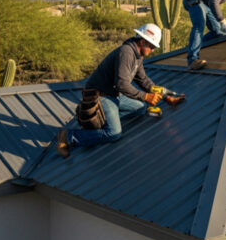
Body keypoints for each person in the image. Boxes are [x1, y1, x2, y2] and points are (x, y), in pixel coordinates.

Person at [57, 23, 169, 158]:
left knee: (140, 108)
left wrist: (164, 95)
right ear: (142, 41)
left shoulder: (137, 56)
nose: (152, 50)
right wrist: (145, 96)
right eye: (151, 46)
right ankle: (69, 136)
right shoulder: (126, 52)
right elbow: (122, 84)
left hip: (114, 94)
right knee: (114, 133)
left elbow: (143, 80)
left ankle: (99, 122)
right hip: (100, 95)